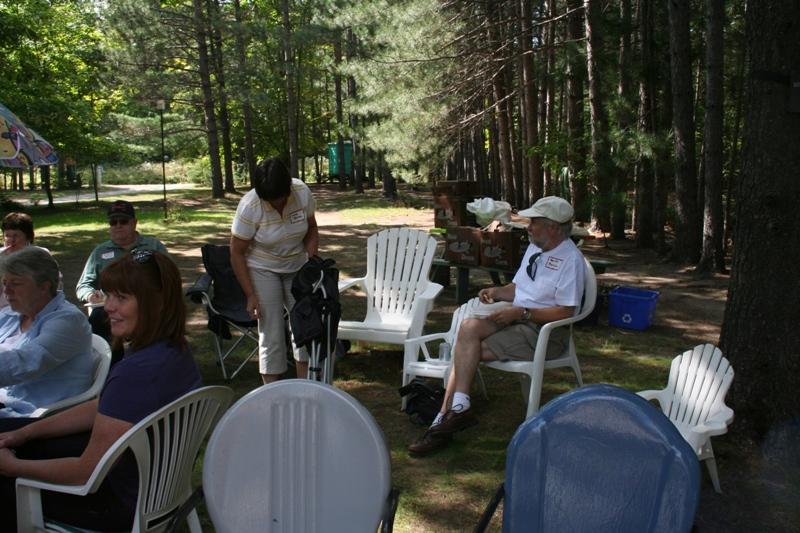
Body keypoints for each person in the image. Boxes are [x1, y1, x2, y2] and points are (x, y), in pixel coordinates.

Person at [0, 250, 202, 531]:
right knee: (16, 436)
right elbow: (104, 406)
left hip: (115, 503)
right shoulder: (173, 351)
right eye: (109, 295)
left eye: (121, 298)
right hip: (147, 480)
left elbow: (85, 472)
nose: (107, 306)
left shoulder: (137, 372)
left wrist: (14, 468)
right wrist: (25, 432)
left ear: (156, 303)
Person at [408, 196, 586, 456]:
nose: (528, 227)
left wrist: (522, 313)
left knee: (466, 350)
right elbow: (519, 287)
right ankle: (458, 408)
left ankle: (443, 419)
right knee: (468, 328)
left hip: (544, 334)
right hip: (518, 320)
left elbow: (566, 311)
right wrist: (497, 291)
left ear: (553, 227)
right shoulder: (536, 248)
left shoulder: (571, 260)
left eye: (534, 222)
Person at [230, 158, 319, 384]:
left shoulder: (301, 192)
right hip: (262, 269)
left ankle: (305, 388)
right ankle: (272, 393)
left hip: (297, 266)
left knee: (304, 326)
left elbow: (312, 228)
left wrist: (311, 262)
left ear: (288, 187)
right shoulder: (250, 206)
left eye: (280, 198)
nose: (276, 204)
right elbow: (237, 253)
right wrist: (250, 295)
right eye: (270, 200)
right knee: (271, 332)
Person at [0, 247, 94, 418]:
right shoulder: (11, 315)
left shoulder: (68, 321)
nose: (6, 291)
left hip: (33, 415)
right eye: (5, 283)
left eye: (16, 283)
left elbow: (25, 362)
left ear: (44, 287)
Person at [76, 200, 167, 340]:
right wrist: (90, 295)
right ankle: (108, 353)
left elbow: (169, 278)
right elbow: (83, 285)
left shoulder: (153, 247)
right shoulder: (100, 252)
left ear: (134, 223)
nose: (118, 225)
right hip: (112, 309)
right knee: (97, 319)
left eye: (123, 221)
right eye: (113, 222)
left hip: (147, 305)